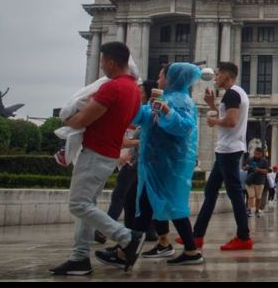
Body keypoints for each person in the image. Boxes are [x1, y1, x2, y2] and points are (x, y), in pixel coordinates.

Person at [96, 62, 204, 267]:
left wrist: (165, 109)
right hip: (157, 164)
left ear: (173, 78)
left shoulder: (180, 101)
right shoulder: (167, 98)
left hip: (166, 164)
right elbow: (144, 117)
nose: (159, 80)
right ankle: (189, 251)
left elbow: (185, 126)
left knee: (154, 206)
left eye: (162, 76)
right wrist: (135, 101)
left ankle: (126, 253)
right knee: (152, 206)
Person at [50, 42, 144, 276]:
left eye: (102, 61)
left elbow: (82, 120)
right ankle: (80, 257)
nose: (101, 66)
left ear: (111, 62)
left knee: (78, 204)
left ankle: (127, 238)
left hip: (96, 152)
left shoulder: (112, 88)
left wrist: (68, 121)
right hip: (109, 153)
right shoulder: (133, 89)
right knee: (86, 205)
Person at [177, 62, 253, 251]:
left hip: (229, 149)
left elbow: (231, 120)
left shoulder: (232, 93)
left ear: (227, 75)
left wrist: (214, 121)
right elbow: (230, 113)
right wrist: (213, 105)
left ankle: (243, 237)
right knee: (210, 191)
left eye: (218, 74)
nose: (216, 77)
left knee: (234, 193)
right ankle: (197, 236)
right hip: (227, 149)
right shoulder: (239, 92)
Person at [95, 80, 160, 245]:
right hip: (137, 161)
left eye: (140, 90)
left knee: (122, 196)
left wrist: (130, 150)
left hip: (135, 162)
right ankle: (147, 231)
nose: (137, 93)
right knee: (133, 198)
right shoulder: (139, 112)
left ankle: (107, 230)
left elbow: (147, 139)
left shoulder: (147, 113)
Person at [243, 147, 271, 218]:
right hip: (250, 181)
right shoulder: (250, 159)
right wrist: (247, 167)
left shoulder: (264, 161)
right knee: (251, 196)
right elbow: (243, 168)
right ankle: (248, 210)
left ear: (261, 154)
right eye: (255, 153)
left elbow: (266, 171)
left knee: (258, 197)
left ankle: (257, 210)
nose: (256, 155)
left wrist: (258, 169)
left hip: (260, 182)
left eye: (258, 154)